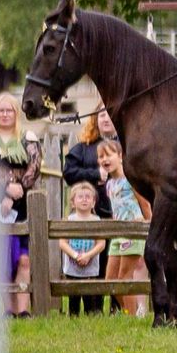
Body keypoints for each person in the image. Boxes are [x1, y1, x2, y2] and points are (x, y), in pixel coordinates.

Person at [0, 92, 42, 317]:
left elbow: (34, 167)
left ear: (16, 113)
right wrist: (5, 189)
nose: (5, 114)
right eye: (0, 110)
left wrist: (15, 192)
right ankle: (8, 309)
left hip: (22, 204)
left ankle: (23, 310)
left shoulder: (27, 138)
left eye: (9, 110)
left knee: (24, 259)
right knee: (1, 259)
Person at [63, 107, 117, 295]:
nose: (106, 119)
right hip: (89, 216)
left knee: (116, 262)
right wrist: (94, 174)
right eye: (102, 115)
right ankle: (93, 307)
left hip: (118, 214)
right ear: (95, 119)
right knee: (93, 265)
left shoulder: (126, 145)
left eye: (109, 114)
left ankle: (117, 307)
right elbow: (69, 172)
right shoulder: (84, 148)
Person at [98, 139, 150, 316]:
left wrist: (149, 227)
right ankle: (130, 312)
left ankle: (133, 318)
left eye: (109, 154)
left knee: (124, 277)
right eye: (101, 156)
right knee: (110, 280)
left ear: (120, 156)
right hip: (118, 233)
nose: (105, 159)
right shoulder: (110, 184)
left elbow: (144, 204)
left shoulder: (130, 180)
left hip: (133, 231)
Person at [59, 182, 104, 316]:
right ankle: (73, 318)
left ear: (93, 202)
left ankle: (90, 318)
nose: (84, 199)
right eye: (80, 197)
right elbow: (62, 242)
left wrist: (88, 255)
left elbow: (101, 243)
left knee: (90, 301)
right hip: (72, 267)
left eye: (88, 197)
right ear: (73, 202)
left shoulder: (97, 220)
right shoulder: (69, 220)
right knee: (73, 300)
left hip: (91, 267)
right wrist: (75, 255)